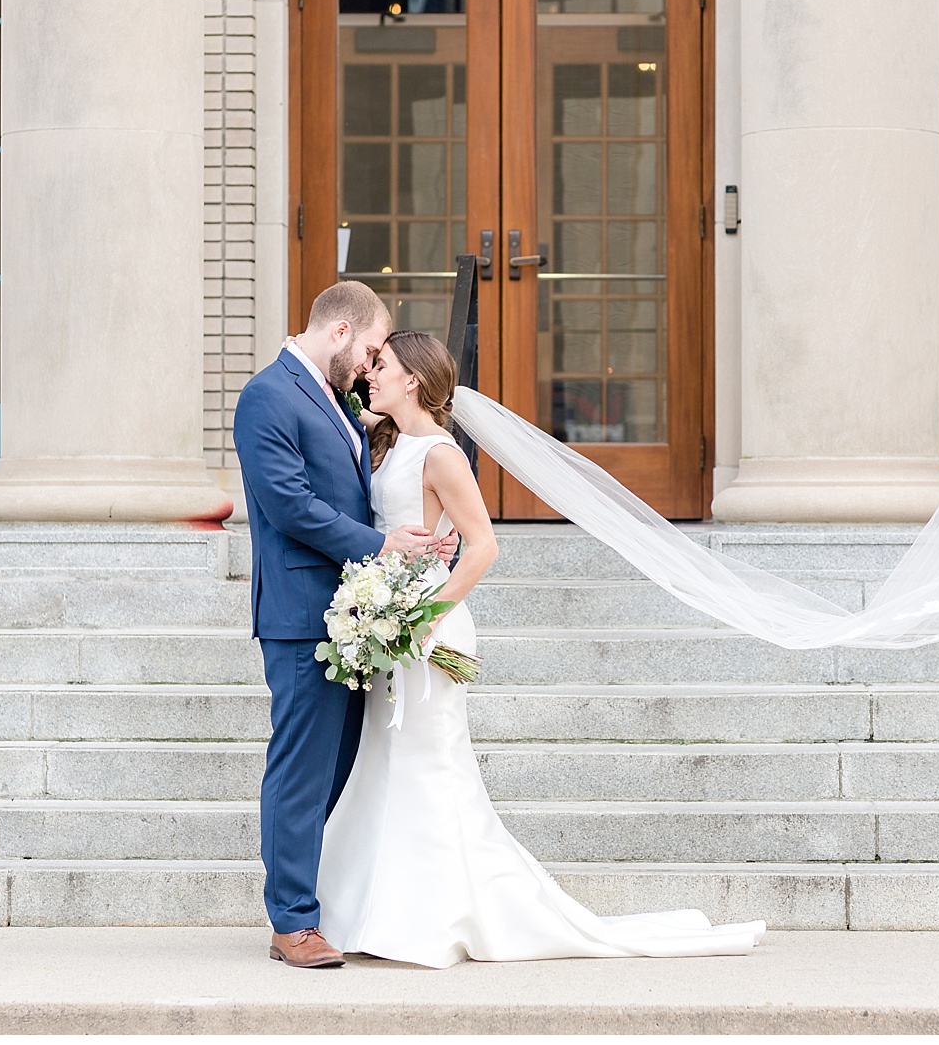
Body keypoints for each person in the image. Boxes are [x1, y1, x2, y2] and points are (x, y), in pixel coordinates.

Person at [314, 330, 766, 968]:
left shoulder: (440, 454)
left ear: (412, 379)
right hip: (388, 614)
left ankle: (431, 919)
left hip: (424, 626)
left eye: (381, 365)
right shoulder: (388, 440)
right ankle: (371, 912)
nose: (370, 374)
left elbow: (483, 546)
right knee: (386, 762)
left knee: (428, 766)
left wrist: (422, 619)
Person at [232, 283, 457, 969]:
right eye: (366, 350)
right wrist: (379, 544)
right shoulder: (267, 396)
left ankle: (316, 902)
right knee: (301, 769)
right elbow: (290, 504)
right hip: (303, 616)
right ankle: (292, 921)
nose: (368, 365)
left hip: (355, 614)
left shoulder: (338, 400)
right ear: (337, 331)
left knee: (334, 769)